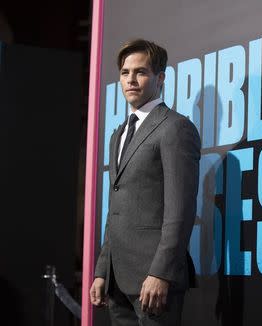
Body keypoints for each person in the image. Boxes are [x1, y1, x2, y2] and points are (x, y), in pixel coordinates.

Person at [89, 39, 200, 326]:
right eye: (125, 73)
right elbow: (117, 207)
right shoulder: (118, 134)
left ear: (160, 78)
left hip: (154, 280)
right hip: (117, 280)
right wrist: (102, 270)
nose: (131, 80)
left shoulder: (175, 127)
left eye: (141, 72)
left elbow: (181, 211)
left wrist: (161, 272)